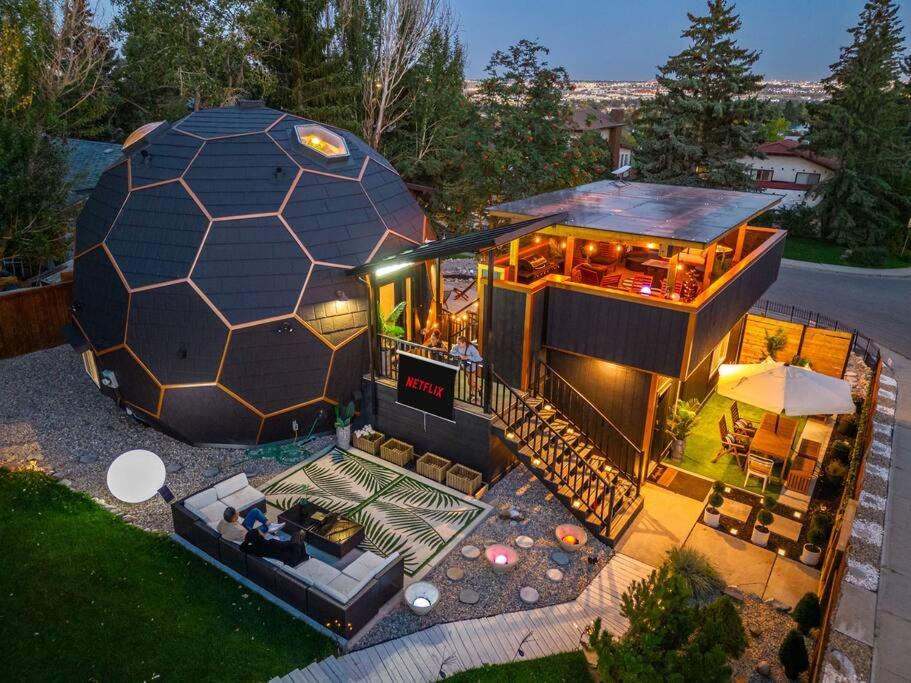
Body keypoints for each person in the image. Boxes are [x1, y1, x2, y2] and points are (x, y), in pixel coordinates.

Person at [217, 506, 284, 544]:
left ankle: (269, 525)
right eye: (236, 512)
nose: (238, 512)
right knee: (264, 528)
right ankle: (269, 527)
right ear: (234, 517)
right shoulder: (239, 530)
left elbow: (218, 529)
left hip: (242, 527)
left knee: (255, 511)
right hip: (246, 533)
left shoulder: (223, 521)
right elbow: (252, 537)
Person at [451, 335, 483, 400]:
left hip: (472, 366)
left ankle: (472, 394)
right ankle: (479, 388)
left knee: (470, 381)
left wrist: (467, 357)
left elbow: (478, 358)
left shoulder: (471, 348)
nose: (457, 344)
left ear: (464, 343)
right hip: (465, 365)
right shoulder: (457, 346)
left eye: (459, 343)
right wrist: (460, 355)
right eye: (457, 342)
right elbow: (451, 352)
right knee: (472, 379)